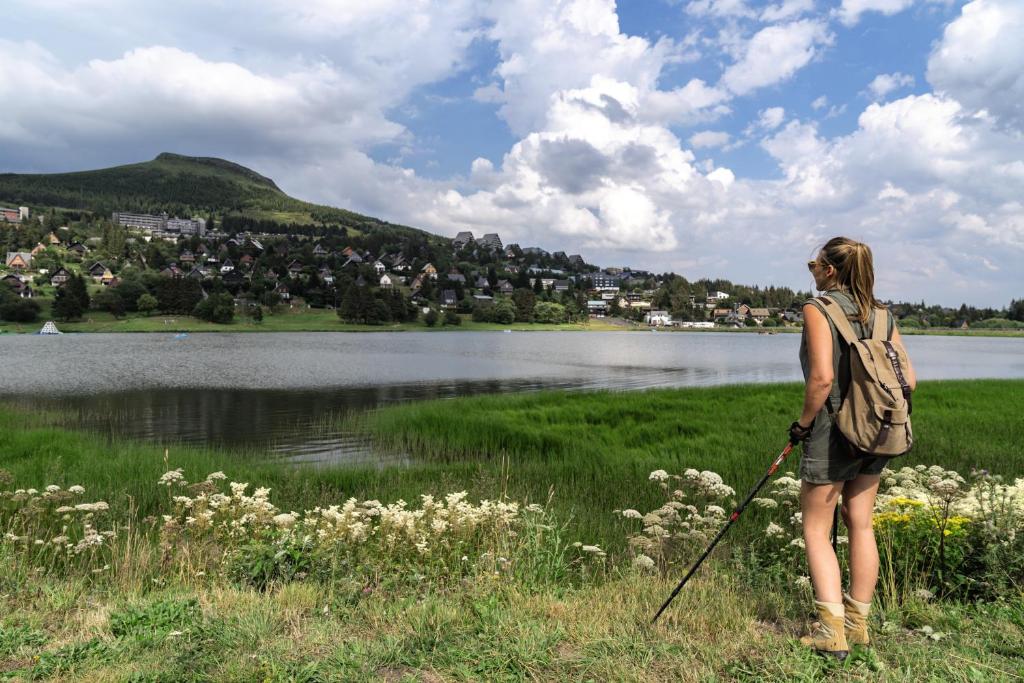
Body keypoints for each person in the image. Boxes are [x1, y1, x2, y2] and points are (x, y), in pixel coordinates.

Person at [788, 236, 916, 659]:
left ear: (829, 270)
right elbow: (910, 380)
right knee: (860, 523)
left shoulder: (818, 308)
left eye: (814, 265)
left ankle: (831, 632)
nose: (812, 272)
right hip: (878, 429)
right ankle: (857, 625)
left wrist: (802, 426)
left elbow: (822, 378)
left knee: (815, 528)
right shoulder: (884, 315)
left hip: (833, 430)